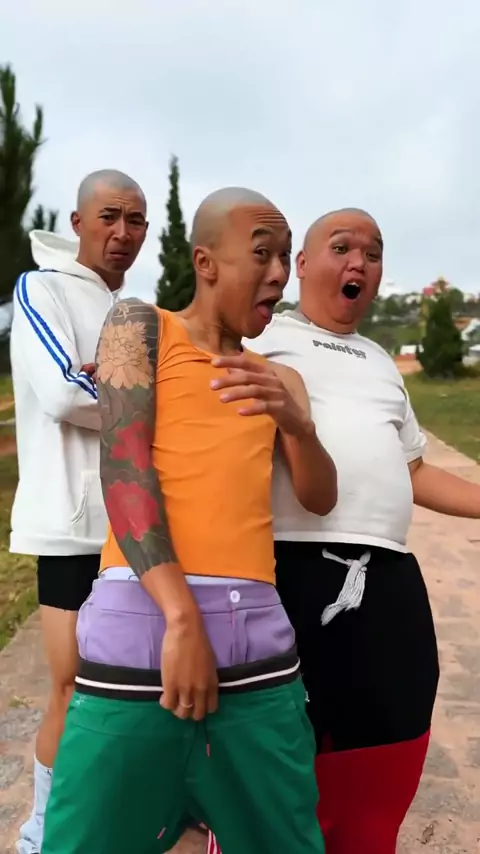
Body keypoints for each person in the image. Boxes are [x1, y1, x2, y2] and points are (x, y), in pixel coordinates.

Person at [40, 187, 337, 854]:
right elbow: (124, 468)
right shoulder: (139, 326)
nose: (278, 274)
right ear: (205, 263)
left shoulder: (278, 380)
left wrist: (301, 427)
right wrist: (180, 617)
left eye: (285, 258)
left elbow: (319, 497)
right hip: (142, 635)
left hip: (257, 653)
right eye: (261, 254)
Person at [241, 207, 480, 854]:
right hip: (290, 573)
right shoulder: (262, 340)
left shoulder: (379, 361)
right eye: (342, 247)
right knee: (285, 771)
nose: (359, 263)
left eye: (372, 254)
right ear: (301, 265)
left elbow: (415, 468)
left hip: (389, 578)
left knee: (391, 742)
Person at [10, 169, 148, 854]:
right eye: (109, 216)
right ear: (78, 222)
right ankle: (42, 831)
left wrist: (118, 386)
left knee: (135, 688)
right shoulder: (42, 289)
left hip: (136, 528)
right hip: (72, 526)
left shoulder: (137, 311)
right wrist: (143, 401)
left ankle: (117, 820)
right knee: (73, 688)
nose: (122, 232)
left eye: (135, 220)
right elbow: (66, 393)